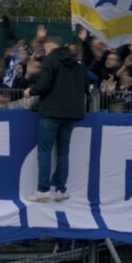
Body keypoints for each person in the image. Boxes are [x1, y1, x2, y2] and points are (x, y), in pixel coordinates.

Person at [26, 35, 87, 201]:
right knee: (63, 152)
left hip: (51, 112)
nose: (44, 51)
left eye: (45, 48)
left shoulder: (50, 60)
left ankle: (43, 190)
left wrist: (30, 91)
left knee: (45, 151)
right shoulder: (77, 63)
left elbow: (43, 84)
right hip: (72, 114)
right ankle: (61, 190)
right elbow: (84, 87)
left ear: (50, 46)